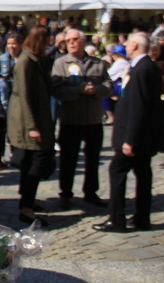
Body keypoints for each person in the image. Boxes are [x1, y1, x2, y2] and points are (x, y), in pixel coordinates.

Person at [94, 32, 161, 233]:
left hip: (134, 136)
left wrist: (130, 140)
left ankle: (117, 219)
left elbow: (139, 107)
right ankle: (141, 217)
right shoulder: (147, 66)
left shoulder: (142, 69)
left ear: (133, 45)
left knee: (117, 170)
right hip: (143, 135)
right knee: (143, 173)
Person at [51, 29, 112, 210]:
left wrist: (96, 91)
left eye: (75, 39)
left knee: (93, 159)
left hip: (93, 119)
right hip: (71, 120)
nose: (70, 43)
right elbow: (56, 91)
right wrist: (78, 91)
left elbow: (109, 86)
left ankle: (91, 192)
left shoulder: (98, 64)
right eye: (68, 40)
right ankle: (66, 194)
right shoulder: (60, 64)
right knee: (68, 160)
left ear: (83, 42)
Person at [7, 25, 54, 226]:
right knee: (36, 162)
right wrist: (32, 126)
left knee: (31, 163)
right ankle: (26, 207)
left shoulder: (37, 59)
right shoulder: (26, 61)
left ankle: (27, 201)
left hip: (39, 117)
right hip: (28, 121)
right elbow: (24, 95)